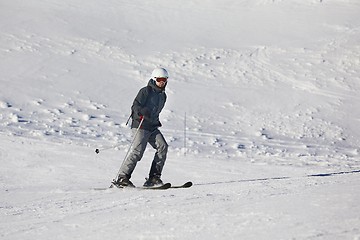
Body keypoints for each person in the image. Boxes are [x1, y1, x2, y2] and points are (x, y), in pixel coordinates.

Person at [113, 68, 169, 188]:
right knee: (138, 151)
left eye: (164, 80)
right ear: (154, 79)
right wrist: (141, 111)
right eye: (159, 79)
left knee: (163, 146)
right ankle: (122, 177)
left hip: (152, 126)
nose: (162, 82)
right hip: (141, 124)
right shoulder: (145, 91)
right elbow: (135, 106)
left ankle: (154, 178)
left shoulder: (163, 96)